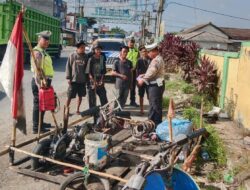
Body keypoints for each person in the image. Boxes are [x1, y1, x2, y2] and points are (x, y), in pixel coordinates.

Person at [31, 30, 54, 134]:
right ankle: (36, 127)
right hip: (40, 82)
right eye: (44, 40)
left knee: (43, 103)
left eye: (47, 41)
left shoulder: (43, 52)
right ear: (39, 40)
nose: (46, 42)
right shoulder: (37, 52)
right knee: (38, 103)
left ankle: (41, 123)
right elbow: (38, 70)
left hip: (46, 81)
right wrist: (41, 83)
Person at [137, 42, 165, 126]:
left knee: (155, 106)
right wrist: (144, 75)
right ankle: (152, 124)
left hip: (155, 86)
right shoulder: (158, 58)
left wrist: (143, 80)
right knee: (154, 105)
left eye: (149, 52)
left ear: (153, 51)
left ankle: (155, 126)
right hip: (157, 84)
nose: (148, 54)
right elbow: (153, 72)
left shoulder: (156, 60)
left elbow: (152, 71)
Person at [65, 40, 88, 114]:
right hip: (73, 80)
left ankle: (77, 110)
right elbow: (68, 66)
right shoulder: (72, 55)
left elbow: (87, 68)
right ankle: (66, 110)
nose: (83, 49)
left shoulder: (85, 56)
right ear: (78, 48)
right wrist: (68, 77)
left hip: (82, 80)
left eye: (84, 48)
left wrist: (87, 79)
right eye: (82, 47)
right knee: (69, 96)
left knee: (80, 96)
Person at [135, 45, 150, 115]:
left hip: (148, 80)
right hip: (141, 81)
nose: (145, 52)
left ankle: (151, 109)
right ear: (141, 52)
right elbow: (137, 72)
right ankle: (141, 110)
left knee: (149, 95)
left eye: (146, 51)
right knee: (141, 95)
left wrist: (144, 75)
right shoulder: (139, 60)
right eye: (143, 51)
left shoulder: (150, 59)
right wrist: (138, 81)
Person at [127, 37, 139, 107]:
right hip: (126, 71)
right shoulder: (124, 49)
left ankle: (132, 101)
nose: (131, 43)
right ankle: (122, 101)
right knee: (124, 87)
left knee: (133, 86)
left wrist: (135, 68)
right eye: (130, 42)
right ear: (128, 42)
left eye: (132, 42)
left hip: (133, 71)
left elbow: (138, 60)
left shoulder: (136, 51)